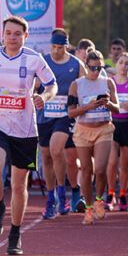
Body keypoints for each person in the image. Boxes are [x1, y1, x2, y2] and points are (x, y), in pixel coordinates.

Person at [0, 16, 59, 256]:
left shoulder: (34, 59)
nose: (12, 37)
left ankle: (15, 233)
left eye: (17, 34)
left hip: (25, 130)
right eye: (8, 33)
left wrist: (45, 97)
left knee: (19, 184)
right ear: (2, 35)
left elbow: (52, 85)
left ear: (25, 36)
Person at [37, 29, 85, 219]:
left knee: (57, 150)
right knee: (47, 157)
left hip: (65, 115)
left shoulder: (76, 64)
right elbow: (33, 85)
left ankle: (62, 195)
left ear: (67, 46)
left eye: (60, 47)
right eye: (54, 47)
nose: (56, 51)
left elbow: (85, 87)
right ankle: (51, 199)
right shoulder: (42, 62)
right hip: (44, 115)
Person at [68, 49, 118, 225]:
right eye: (92, 68)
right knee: (86, 170)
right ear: (86, 66)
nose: (96, 71)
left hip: (103, 129)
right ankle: (88, 208)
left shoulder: (108, 82)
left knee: (101, 169)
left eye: (99, 68)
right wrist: (88, 107)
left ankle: (99, 200)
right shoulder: (77, 84)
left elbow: (117, 108)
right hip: (83, 131)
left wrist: (108, 103)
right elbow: (70, 112)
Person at [106, 52, 128, 211]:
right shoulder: (109, 82)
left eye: (127, 63)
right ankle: (110, 194)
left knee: (124, 165)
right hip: (112, 124)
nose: (124, 66)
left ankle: (123, 194)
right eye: (121, 62)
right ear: (116, 64)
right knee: (112, 162)